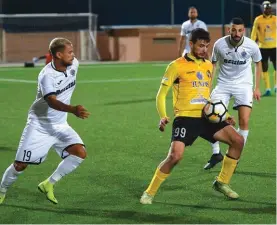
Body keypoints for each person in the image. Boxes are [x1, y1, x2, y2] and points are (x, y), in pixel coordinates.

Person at [140, 28, 245, 205]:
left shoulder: (208, 65)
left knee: (238, 141)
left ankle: (222, 182)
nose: (204, 49)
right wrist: (163, 116)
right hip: (185, 118)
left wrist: (224, 115)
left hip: (206, 116)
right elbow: (161, 94)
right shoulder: (176, 65)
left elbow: (207, 95)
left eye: (206, 46)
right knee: (175, 156)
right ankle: (149, 192)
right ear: (191, 44)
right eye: (201, 46)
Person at [0, 37, 90, 205]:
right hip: (39, 125)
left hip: (60, 124)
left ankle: (48, 183)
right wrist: (73, 110)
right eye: (69, 52)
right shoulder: (46, 76)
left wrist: (69, 113)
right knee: (20, 165)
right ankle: (1, 190)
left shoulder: (74, 65)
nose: (73, 55)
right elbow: (52, 101)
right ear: (58, 54)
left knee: (79, 152)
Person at [204, 17, 262, 170]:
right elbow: (213, 65)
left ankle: (235, 157)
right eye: (234, 30)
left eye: (240, 30)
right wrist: (207, 87)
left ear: (244, 31)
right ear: (229, 30)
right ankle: (216, 153)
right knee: (210, 117)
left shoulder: (251, 46)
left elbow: (258, 63)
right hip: (223, 84)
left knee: (244, 121)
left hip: (244, 85)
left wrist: (256, 87)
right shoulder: (219, 45)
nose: (237, 33)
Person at [251, 1, 276, 96]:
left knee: (276, 67)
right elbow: (254, 32)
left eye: (269, 8)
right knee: (264, 68)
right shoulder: (258, 19)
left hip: (274, 46)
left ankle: (276, 86)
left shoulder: (275, 19)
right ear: (263, 9)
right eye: (266, 8)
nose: (267, 10)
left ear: (271, 9)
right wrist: (252, 43)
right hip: (263, 47)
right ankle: (268, 88)